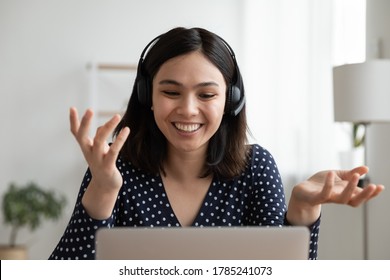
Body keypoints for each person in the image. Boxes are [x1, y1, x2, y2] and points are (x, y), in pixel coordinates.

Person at [49, 27, 384, 260]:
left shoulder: (256, 169)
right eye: (170, 92)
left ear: (231, 101)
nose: (188, 109)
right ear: (146, 96)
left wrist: (302, 210)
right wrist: (102, 192)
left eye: (206, 94)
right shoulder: (115, 168)